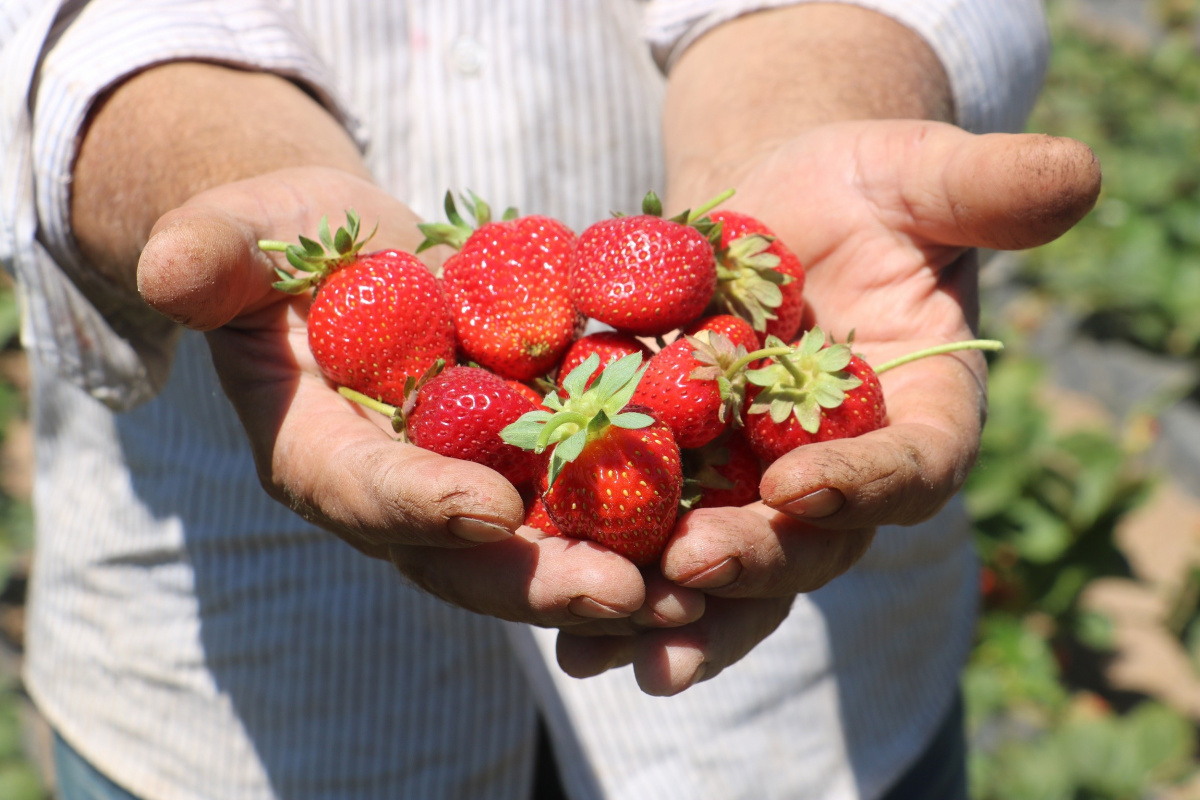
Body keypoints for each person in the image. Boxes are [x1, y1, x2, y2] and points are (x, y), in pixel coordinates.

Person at [0, 1, 1100, 798]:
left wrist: (811, 98)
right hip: (228, 702)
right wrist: (197, 154)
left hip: (808, 719)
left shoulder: (671, 355)